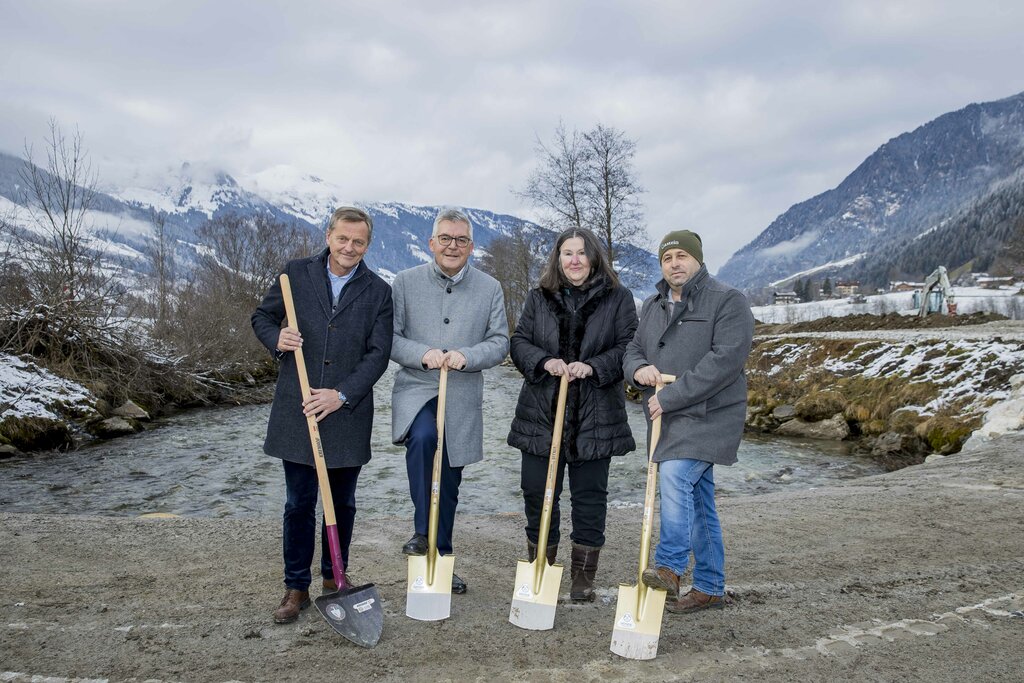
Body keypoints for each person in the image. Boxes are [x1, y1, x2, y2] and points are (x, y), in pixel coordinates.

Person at [252, 207, 393, 624]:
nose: (350, 247)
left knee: (344, 503)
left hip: (346, 414)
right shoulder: (294, 274)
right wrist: (276, 337)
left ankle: (335, 576)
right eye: (343, 238)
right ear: (329, 235)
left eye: (359, 241)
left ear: (368, 245)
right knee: (299, 503)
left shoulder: (379, 291)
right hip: (298, 408)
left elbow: (378, 354)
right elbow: (261, 316)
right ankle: (296, 585)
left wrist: (342, 394)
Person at [622, 229, 754, 613]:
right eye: (667, 258)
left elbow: (726, 360)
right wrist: (639, 370)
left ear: (697, 259)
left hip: (711, 413)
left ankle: (670, 566)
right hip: (669, 416)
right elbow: (632, 348)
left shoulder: (727, 300)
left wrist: (669, 396)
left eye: (681, 255)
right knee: (698, 499)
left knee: (676, 475)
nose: (674, 263)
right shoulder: (653, 304)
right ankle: (711, 587)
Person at [507, 228, 638, 601]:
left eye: (582, 253)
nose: (575, 260)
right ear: (558, 259)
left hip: (595, 416)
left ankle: (583, 578)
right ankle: (541, 570)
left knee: (590, 496)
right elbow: (519, 342)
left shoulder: (618, 298)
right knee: (537, 491)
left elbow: (628, 345)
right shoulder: (538, 297)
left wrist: (593, 366)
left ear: (594, 257)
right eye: (567, 253)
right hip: (541, 414)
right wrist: (543, 361)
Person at [390, 207, 509, 594]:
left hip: (461, 396)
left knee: (450, 483)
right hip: (417, 390)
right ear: (431, 243)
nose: (452, 246)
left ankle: (439, 557)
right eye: (445, 238)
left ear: (471, 246)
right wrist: (423, 353)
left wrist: (468, 356)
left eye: (460, 240)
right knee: (425, 440)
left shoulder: (490, 288)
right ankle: (423, 533)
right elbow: (389, 338)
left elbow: (500, 341)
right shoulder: (404, 283)